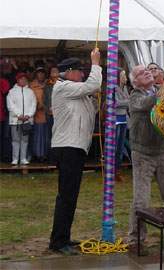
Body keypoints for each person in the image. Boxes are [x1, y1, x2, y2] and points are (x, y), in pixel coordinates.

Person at [49, 49, 102, 255]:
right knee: (66, 196)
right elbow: (93, 85)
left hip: (75, 146)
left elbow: (92, 108)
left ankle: (63, 237)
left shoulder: (73, 91)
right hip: (67, 147)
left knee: (70, 196)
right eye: (80, 71)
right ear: (69, 73)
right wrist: (95, 63)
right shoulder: (63, 87)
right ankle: (58, 241)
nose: (82, 74)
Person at [127, 65, 164, 248]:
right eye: (142, 73)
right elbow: (147, 103)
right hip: (143, 154)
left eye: (148, 70)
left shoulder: (160, 91)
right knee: (141, 200)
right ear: (135, 82)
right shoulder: (135, 97)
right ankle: (136, 239)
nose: (147, 72)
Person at [6, 73, 36, 165]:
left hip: (27, 121)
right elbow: (10, 105)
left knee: (25, 140)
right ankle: (15, 159)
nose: (23, 80)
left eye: (24, 79)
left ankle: (23, 158)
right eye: (21, 79)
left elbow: (33, 104)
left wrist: (28, 115)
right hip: (15, 121)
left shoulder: (30, 92)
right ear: (17, 80)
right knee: (15, 140)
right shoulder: (11, 92)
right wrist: (19, 115)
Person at [30, 67, 48, 162]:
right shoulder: (32, 86)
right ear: (36, 74)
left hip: (48, 114)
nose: (41, 75)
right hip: (36, 114)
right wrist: (37, 105)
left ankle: (45, 155)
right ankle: (37, 155)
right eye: (39, 73)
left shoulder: (48, 84)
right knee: (37, 136)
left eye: (42, 73)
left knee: (46, 136)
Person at [114, 70, 130, 181]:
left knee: (120, 146)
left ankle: (117, 170)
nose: (126, 78)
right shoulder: (114, 88)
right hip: (116, 119)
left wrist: (126, 102)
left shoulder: (124, 88)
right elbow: (115, 104)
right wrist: (128, 101)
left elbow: (125, 102)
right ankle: (112, 170)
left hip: (124, 119)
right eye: (123, 76)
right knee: (115, 146)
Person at [44, 66, 60, 162]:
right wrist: (48, 109)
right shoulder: (48, 85)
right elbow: (45, 100)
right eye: (52, 71)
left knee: (60, 136)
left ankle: (59, 158)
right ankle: (52, 158)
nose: (54, 73)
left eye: (56, 71)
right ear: (50, 74)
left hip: (61, 115)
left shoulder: (63, 84)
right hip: (50, 115)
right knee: (50, 136)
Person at [0, 68, 10, 161]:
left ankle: (4, 156)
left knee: (4, 137)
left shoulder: (3, 81)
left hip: (3, 115)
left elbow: (5, 91)